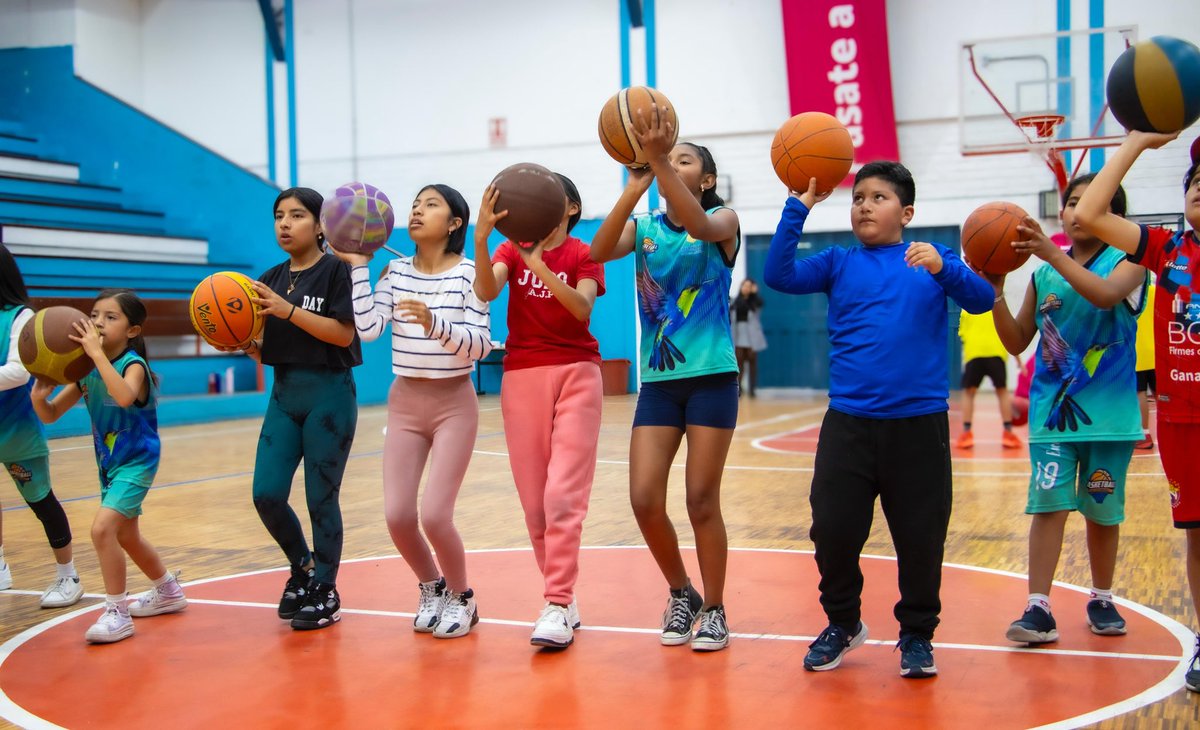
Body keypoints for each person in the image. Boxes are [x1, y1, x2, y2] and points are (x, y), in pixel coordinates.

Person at [764, 163, 993, 678]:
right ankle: (843, 622)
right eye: (859, 197)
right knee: (833, 530)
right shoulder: (838, 263)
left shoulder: (933, 262)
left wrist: (944, 267)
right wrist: (798, 207)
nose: (864, 205)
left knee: (920, 537)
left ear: (906, 213)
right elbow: (778, 275)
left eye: (879, 197)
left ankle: (916, 635)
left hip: (919, 425)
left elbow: (982, 300)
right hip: (849, 423)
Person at [591, 104, 740, 652]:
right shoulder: (646, 228)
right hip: (659, 383)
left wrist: (658, 158)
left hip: (711, 378)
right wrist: (635, 186)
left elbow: (698, 223)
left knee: (701, 498)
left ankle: (717, 607)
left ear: (707, 179)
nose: (669, 165)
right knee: (644, 498)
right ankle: (683, 592)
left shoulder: (722, 221)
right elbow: (598, 250)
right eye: (665, 159)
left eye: (682, 161)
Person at [986, 174, 1145, 647]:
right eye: (1071, 203)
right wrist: (996, 290)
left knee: (1102, 512)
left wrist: (1050, 252)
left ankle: (1101, 596)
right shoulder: (1041, 276)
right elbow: (1017, 340)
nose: (1076, 212)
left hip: (1111, 418)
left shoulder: (1132, 261)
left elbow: (1104, 295)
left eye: (1088, 204)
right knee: (1049, 507)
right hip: (1053, 416)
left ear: (1112, 214)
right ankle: (1038, 606)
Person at [1073, 130, 1200, 692]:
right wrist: (1135, 144)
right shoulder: (1167, 249)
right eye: (1196, 181)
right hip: (1183, 421)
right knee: (1199, 538)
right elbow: (1095, 210)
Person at [336, 184, 491, 640]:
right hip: (405, 403)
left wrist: (432, 322)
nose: (418, 211)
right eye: (416, 204)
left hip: (453, 405)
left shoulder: (469, 275)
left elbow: (480, 346)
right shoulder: (396, 271)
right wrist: (360, 270)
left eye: (431, 204)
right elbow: (366, 329)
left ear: (456, 223)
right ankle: (431, 585)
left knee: (435, 515)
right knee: (398, 515)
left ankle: (462, 596)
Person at [471, 173, 603, 648]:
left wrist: (540, 265)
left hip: (578, 372)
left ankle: (556, 599)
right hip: (522, 375)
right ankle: (564, 601)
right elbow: (486, 292)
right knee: (534, 507)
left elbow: (581, 309)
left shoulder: (584, 254)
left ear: (569, 208)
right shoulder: (510, 249)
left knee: (562, 496)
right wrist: (483, 237)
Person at [235, 187, 361, 631]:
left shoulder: (336, 271)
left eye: (296, 215)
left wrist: (288, 311)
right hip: (285, 396)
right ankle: (302, 566)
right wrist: (244, 341)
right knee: (265, 494)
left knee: (319, 498)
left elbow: (343, 334)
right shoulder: (267, 279)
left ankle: (326, 588)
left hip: (330, 396)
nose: (285, 224)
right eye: (278, 216)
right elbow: (272, 346)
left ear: (320, 224)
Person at [31, 289, 186, 643]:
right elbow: (52, 415)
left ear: (133, 330)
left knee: (102, 530)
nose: (99, 322)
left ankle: (117, 611)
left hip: (138, 460)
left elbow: (124, 396)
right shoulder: (85, 370)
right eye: (95, 314)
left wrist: (97, 355)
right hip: (109, 463)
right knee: (126, 535)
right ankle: (168, 590)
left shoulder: (133, 365)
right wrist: (39, 398)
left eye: (110, 317)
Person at [0, 243, 83, 609]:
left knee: (41, 501)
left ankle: (69, 576)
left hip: (16, 430)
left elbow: (19, 371)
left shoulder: (19, 317)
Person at [955, 310, 1022, 450]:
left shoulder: (967, 307)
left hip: (975, 352)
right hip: (996, 352)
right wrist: (1019, 360)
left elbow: (961, 334)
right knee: (1002, 392)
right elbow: (1009, 332)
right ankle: (1008, 433)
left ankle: (967, 433)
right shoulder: (996, 304)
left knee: (969, 393)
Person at [730, 278, 767, 397]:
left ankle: (752, 389)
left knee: (752, 361)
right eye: (744, 286)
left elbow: (760, 303)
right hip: (739, 333)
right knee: (739, 362)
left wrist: (754, 294)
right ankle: (739, 388)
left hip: (751, 334)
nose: (746, 288)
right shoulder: (736, 301)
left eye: (748, 286)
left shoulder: (754, 301)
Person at [1134, 281, 1156, 450]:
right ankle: (1170, 431)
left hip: (1137, 350)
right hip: (1157, 349)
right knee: (1162, 394)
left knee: (1139, 392)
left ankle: (1143, 434)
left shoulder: (1130, 294)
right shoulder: (1156, 291)